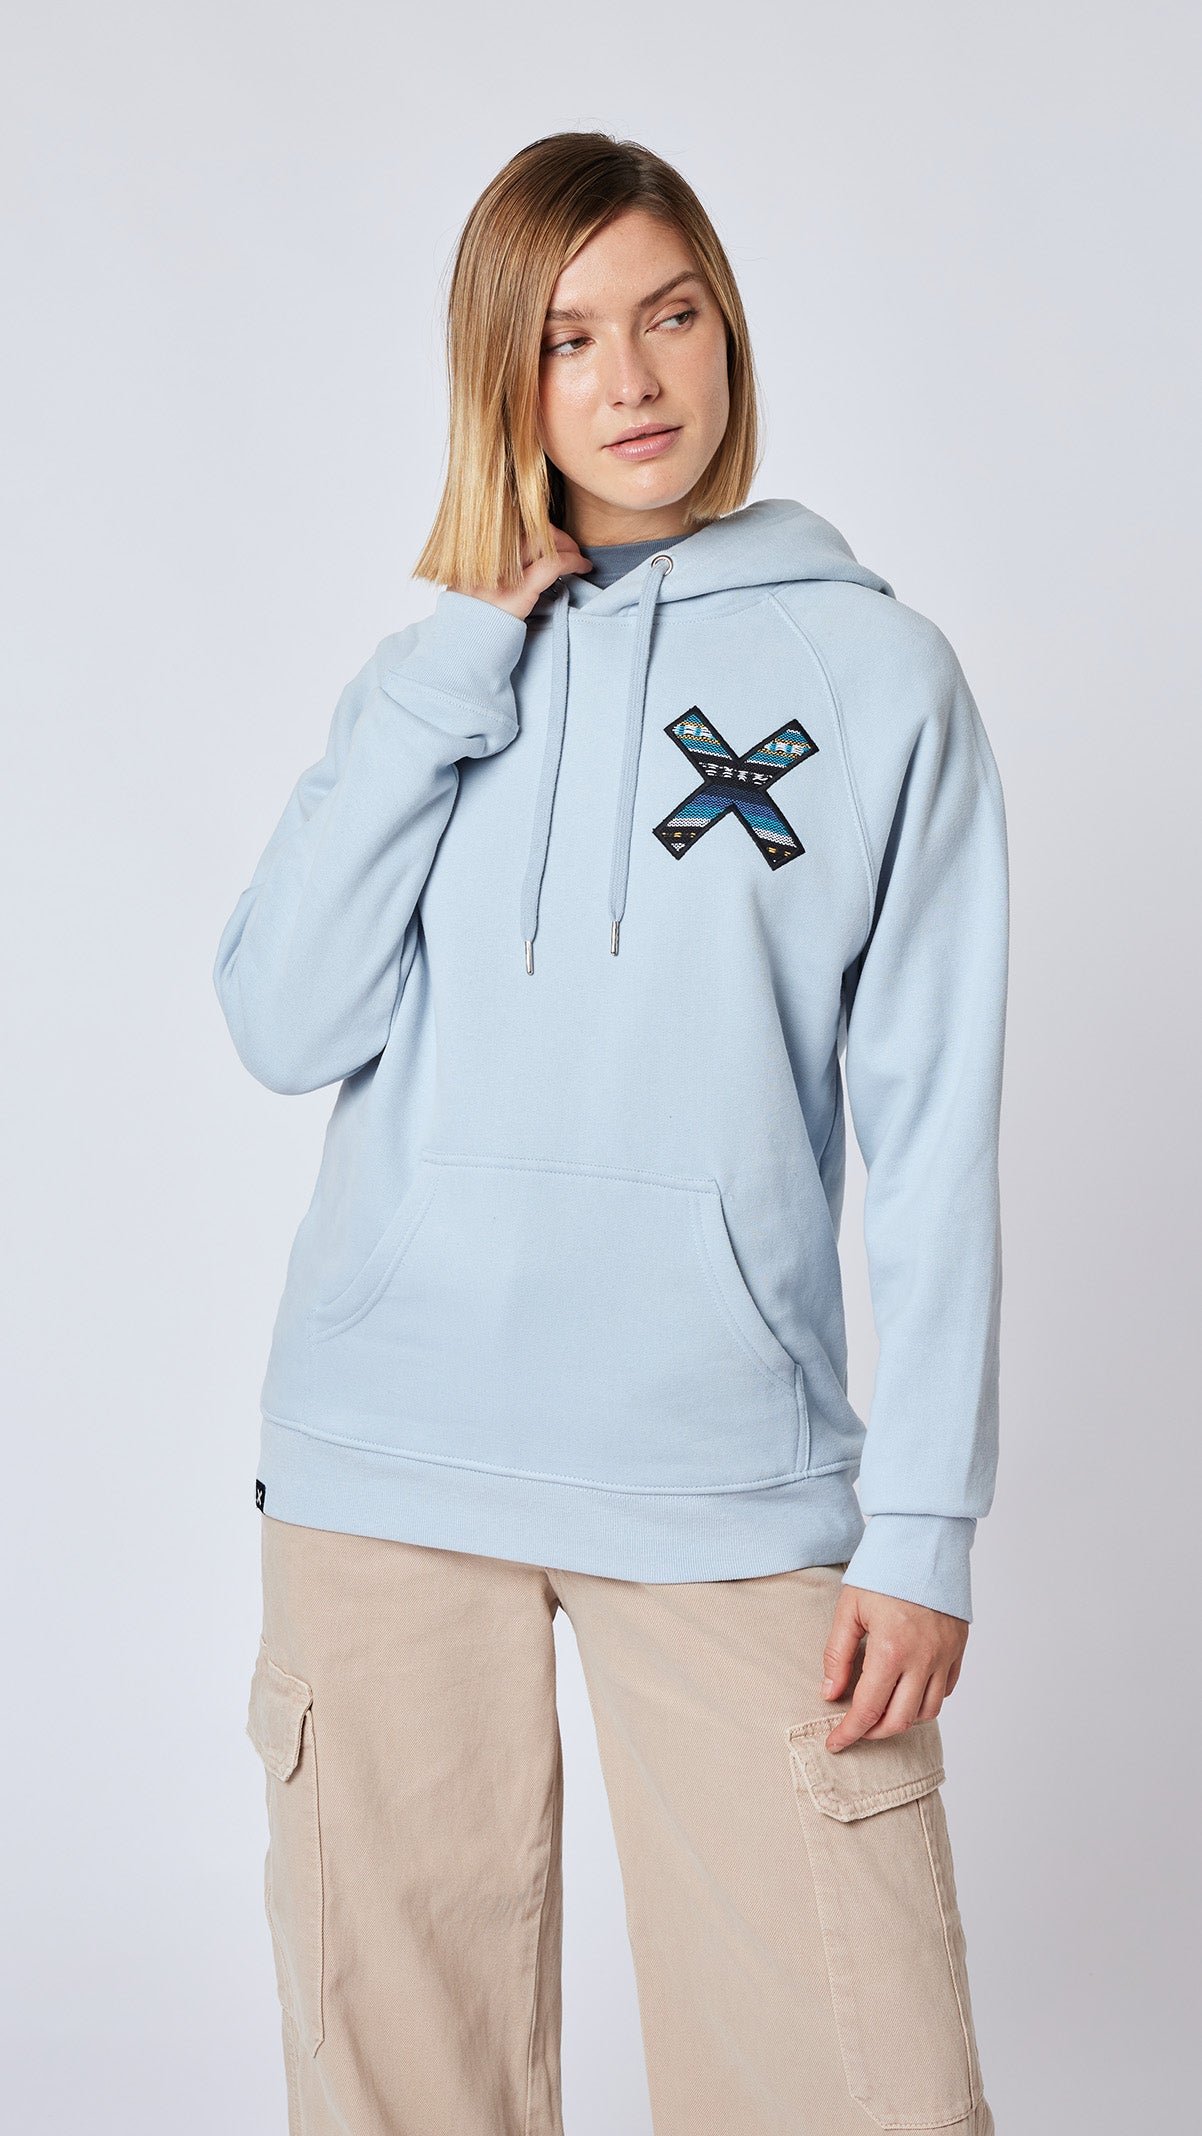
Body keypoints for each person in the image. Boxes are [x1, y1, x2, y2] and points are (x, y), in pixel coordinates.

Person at [214, 130, 1007, 2136]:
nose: (631, 382)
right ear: (501, 371)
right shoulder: (430, 683)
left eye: (669, 317)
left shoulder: (876, 676)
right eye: (567, 339)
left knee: (859, 2088)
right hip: (388, 1469)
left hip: (724, 1481)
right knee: (404, 2098)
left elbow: (930, 1128)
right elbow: (281, 1018)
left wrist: (921, 1522)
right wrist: (457, 654)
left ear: (727, 331)